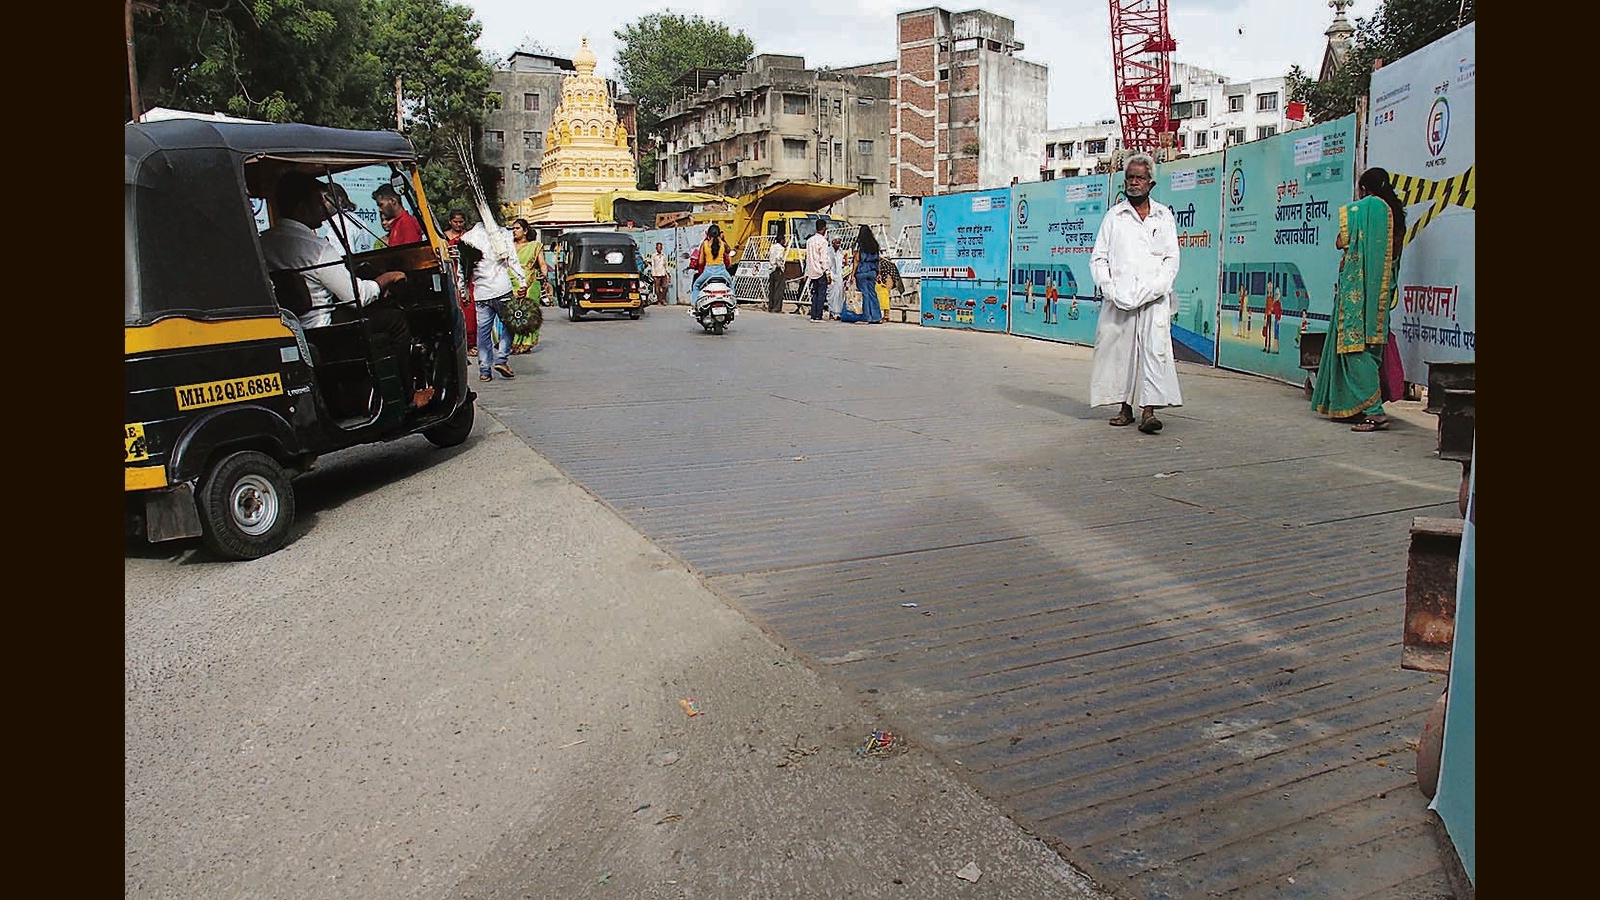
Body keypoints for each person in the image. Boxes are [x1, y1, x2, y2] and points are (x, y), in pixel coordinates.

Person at [262, 172, 433, 408]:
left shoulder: (263, 243)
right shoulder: (316, 249)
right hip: (323, 331)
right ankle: (407, 396)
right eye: (318, 202)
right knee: (395, 321)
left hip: (289, 329)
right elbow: (358, 297)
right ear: (302, 208)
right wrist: (387, 278)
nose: (324, 208)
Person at [1089, 153, 1182, 435]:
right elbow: (1099, 258)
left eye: (1140, 177)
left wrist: (1157, 287)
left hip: (1153, 298)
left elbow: (1171, 258)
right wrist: (1110, 288)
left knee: (1154, 351)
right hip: (1120, 298)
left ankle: (1149, 412)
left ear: (1151, 183)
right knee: (1119, 352)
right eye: (1130, 177)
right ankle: (1125, 408)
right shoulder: (1114, 216)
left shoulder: (1163, 215)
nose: (1134, 183)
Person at [1311, 166, 1407, 432]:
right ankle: (1357, 405)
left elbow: (1340, 241)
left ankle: (1374, 413)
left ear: (1365, 189)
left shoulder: (1366, 210)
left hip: (1359, 292)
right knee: (1372, 347)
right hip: (1382, 292)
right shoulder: (1395, 216)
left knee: (1355, 350)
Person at [457, 219, 518, 382]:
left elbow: (462, 269)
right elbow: (512, 259)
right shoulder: (503, 233)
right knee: (511, 324)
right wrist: (522, 281)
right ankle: (502, 359)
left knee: (483, 333)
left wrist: (463, 290)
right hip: (502, 289)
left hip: (481, 293)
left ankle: (484, 370)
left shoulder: (467, 237)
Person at [508, 218, 546, 353]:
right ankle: (513, 342)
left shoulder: (535, 246)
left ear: (525, 231)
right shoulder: (508, 246)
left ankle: (526, 342)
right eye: (513, 228)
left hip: (530, 280)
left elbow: (542, 264)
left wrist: (544, 274)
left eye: (517, 228)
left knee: (528, 313)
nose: (514, 231)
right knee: (512, 313)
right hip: (511, 281)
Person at [320, 182, 380, 254]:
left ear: (338, 199)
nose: (320, 204)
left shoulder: (341, 224)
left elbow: (342, 257)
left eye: (324, 200)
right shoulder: (354, 219)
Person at [692, 223, 737, 305]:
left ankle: (694, 305)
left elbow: (701, 262)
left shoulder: (704, 244)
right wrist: (722, 239)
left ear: (708, 235)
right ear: (719, 234)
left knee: (696, 286)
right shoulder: (722, 244)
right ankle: (734, 304)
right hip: (722, 271)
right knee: (731, 284)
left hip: (708, 272)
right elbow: (729, 251)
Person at [804, 220, 832, 321]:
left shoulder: (809, 241)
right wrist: (827, 272)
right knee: (821, 294)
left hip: (812, 271)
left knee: (815, 293)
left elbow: (808, 258)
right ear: (824, 228)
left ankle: (813, 315)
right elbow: (823, 258)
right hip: (820, 271)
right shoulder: (823, 241)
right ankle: (818, 315)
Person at [854, 225, 883, 323]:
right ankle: (877, 317)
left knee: (864, 294)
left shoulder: (859, 245)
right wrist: (878, 273)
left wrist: (852, 274)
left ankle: (866, 317)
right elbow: (878, 260)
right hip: (872, 271)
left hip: (862, 271)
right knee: (872, 293)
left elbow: (857, 260)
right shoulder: (874, 244)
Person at [765, 237, 787, 313]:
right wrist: (780, 266)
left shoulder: (772, 246)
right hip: (777, 269)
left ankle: (770, 306)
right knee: (779, 289)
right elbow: (778, 258)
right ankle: (777, 308)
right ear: (781, 240)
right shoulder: (781, 248)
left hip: (771, 269)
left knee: (772, 289)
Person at [827, 237, 847, 319]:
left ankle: (838, 313)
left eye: (839, 242)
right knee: (831, 295)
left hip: (839, 276)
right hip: (831, 275)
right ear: (832, 242)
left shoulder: (841, 252)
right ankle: (831, 312)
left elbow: (842, 264)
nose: (838, 244)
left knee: (840, 295)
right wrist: (828, 275)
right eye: (836, 242)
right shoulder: (828, 251)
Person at [649, 241, 670, 306]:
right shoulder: (654, 256)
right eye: (658, 247)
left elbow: (666, 265)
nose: (659, 248)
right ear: (656, 248)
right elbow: (652, 266)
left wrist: (668, 273)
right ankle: (659, 300)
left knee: (665, 287)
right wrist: (653, 275)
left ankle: (663, 299)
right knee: (657, 289)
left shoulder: (664, 255)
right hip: (657, 274)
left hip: (663, 273)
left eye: (660, 247)